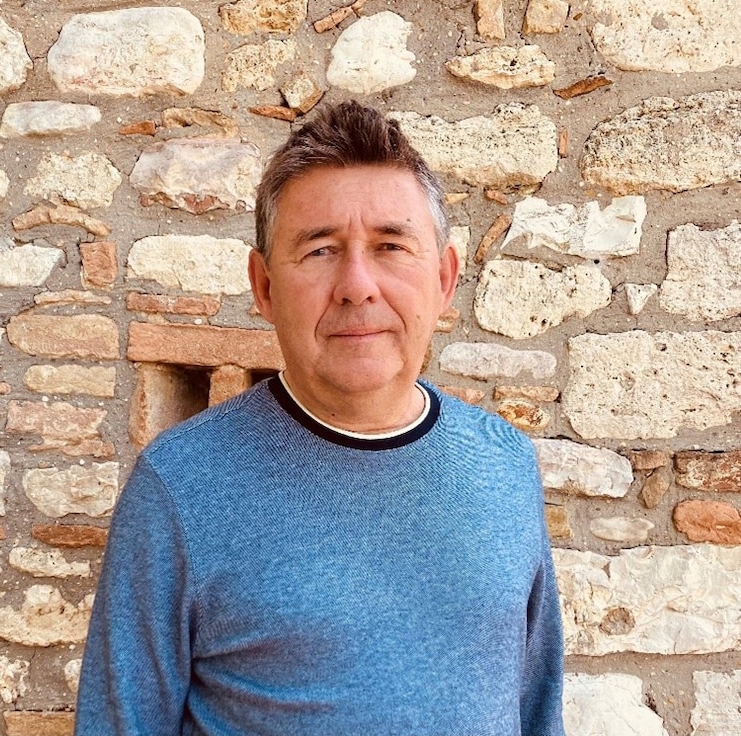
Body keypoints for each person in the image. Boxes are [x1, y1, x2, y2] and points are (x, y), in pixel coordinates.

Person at [75, 100, 565, 736]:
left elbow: (538, 713)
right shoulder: (182, 487)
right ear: (264, 287)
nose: (357, 285)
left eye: (390, 246)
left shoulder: (505, 467)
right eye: (321, 250)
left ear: (445, 279)